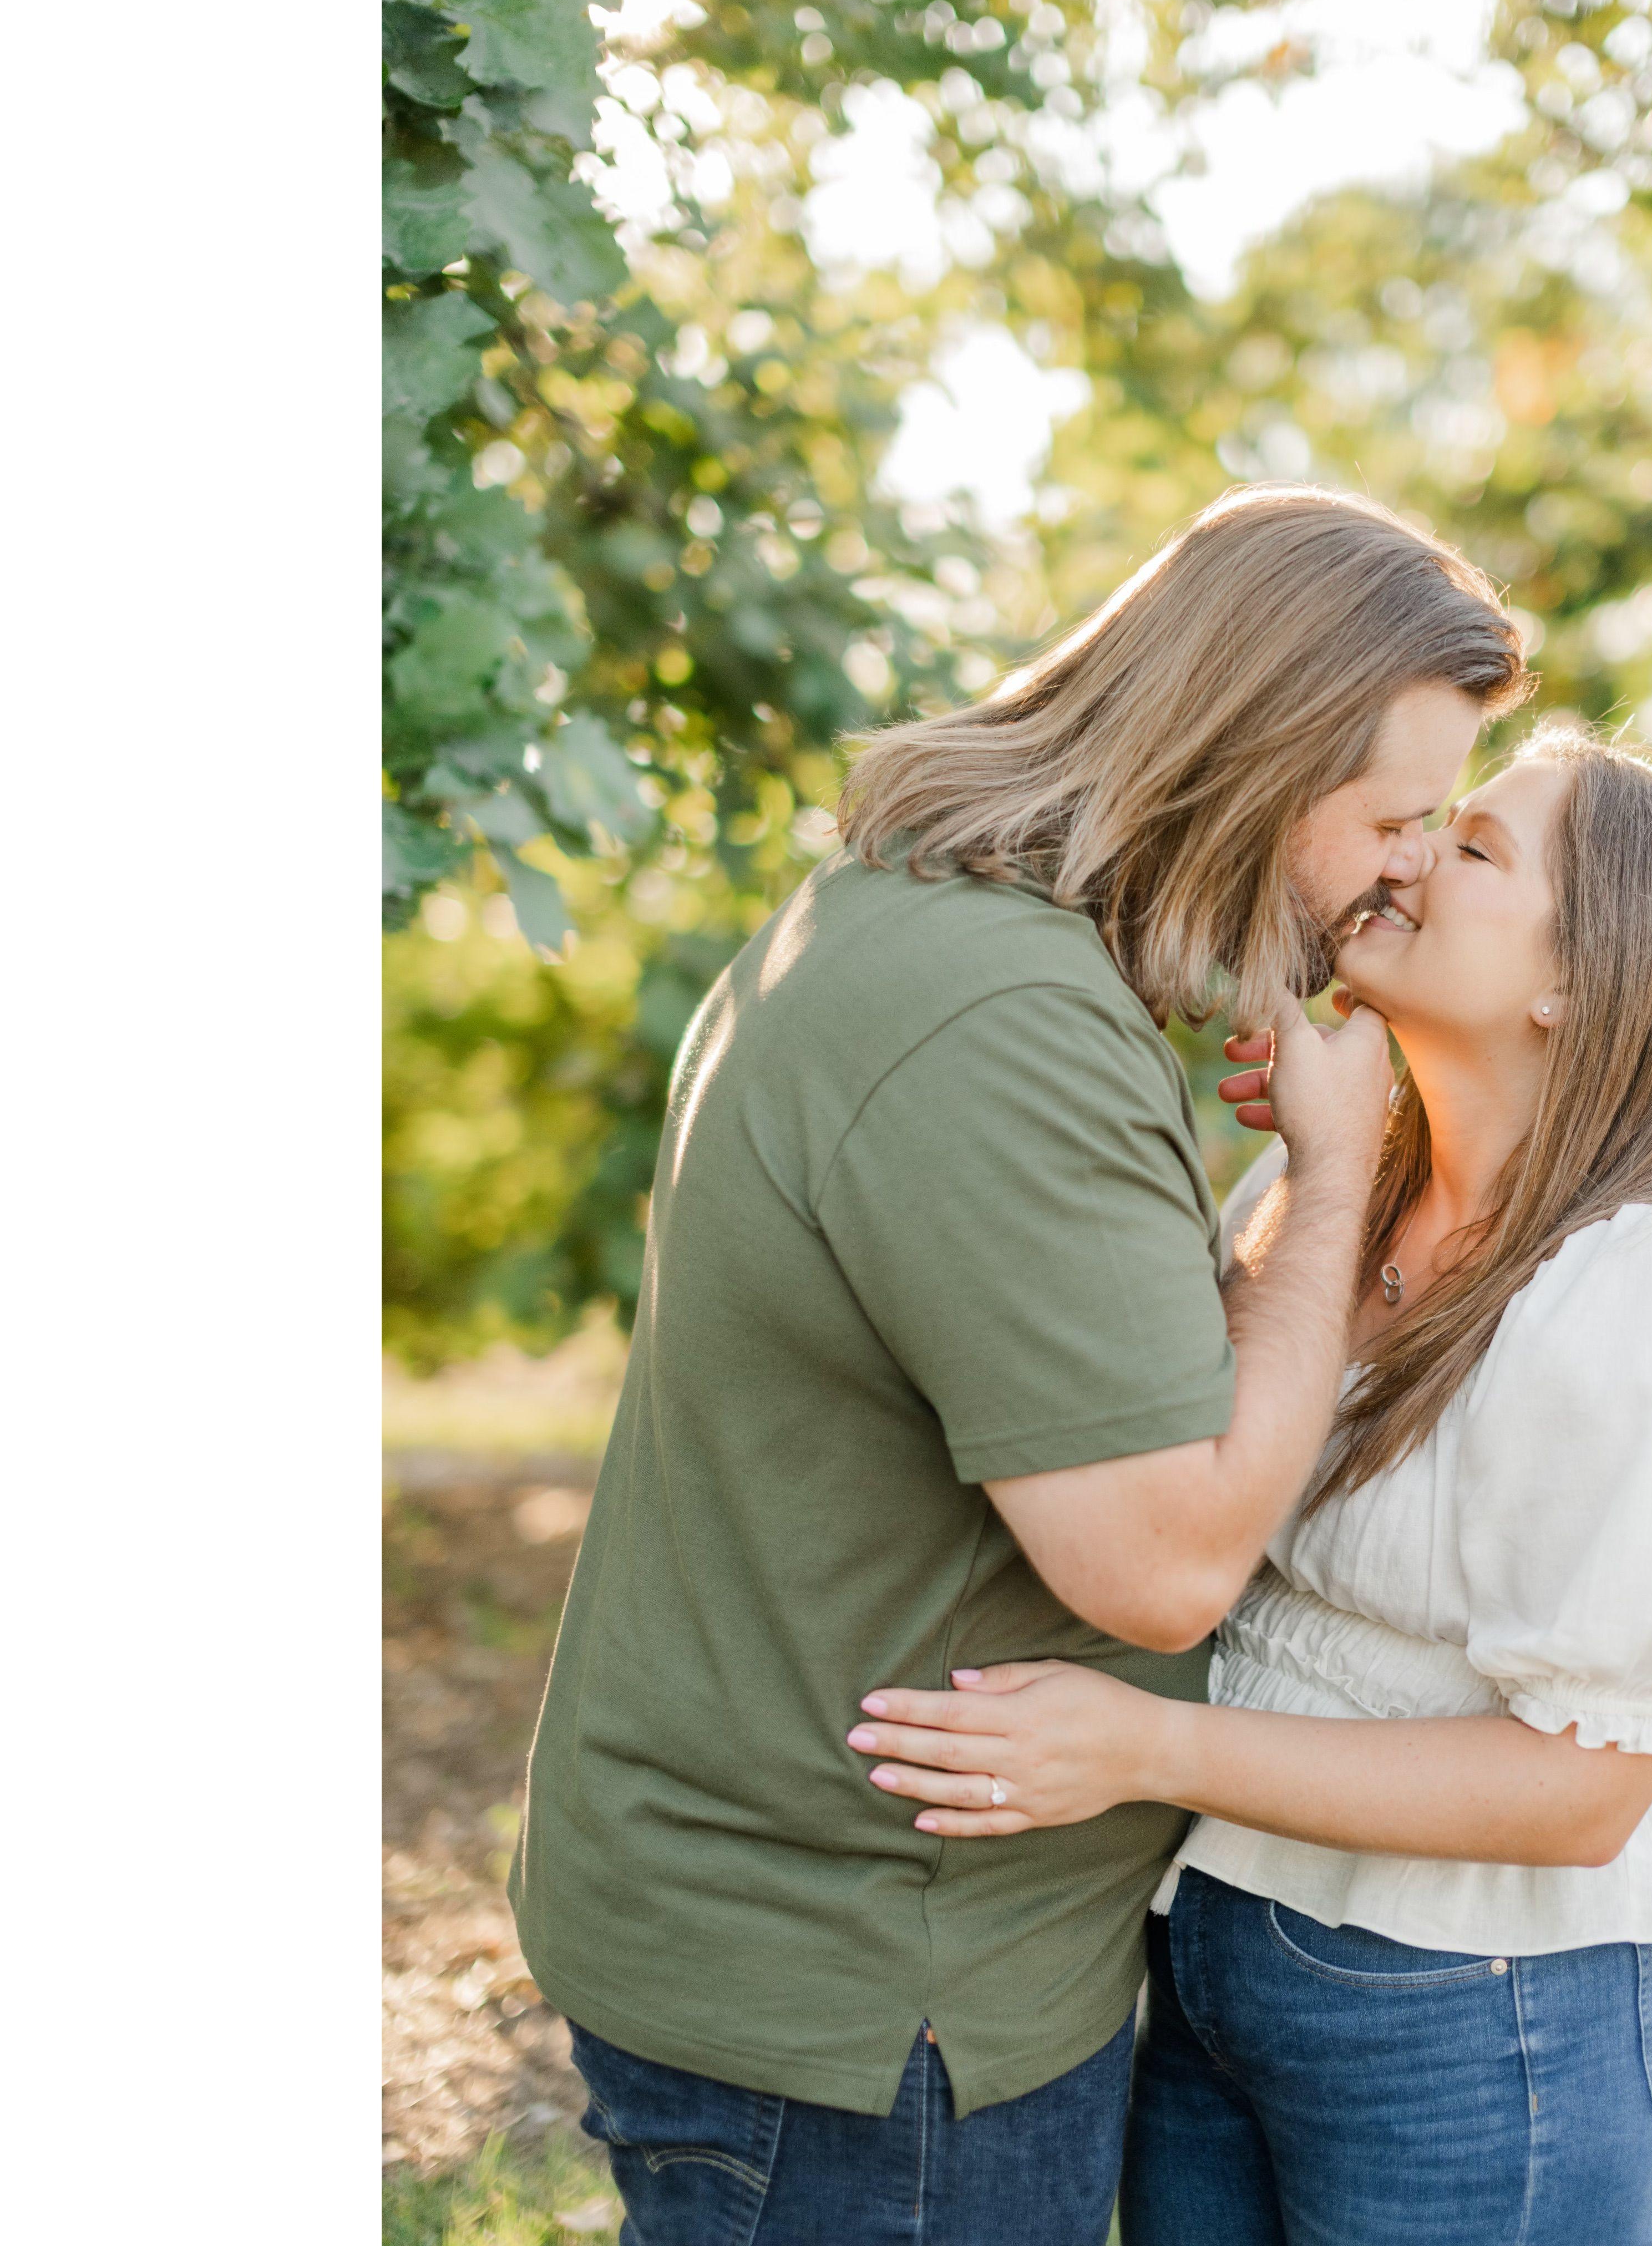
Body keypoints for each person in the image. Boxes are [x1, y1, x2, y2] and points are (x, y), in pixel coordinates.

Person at [508, 485, 1528, 2244]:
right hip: (864, 1998)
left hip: (856, 1945)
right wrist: (1343, 1169)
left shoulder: (942, 932)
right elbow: (1161, 1561)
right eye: (1392, 817)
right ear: (1256, 759)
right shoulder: (1002, 1026)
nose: (1410, 870)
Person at [849, 722, 1652, 2246]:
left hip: (1483, 2016)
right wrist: (1327, 1173)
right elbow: (1209, 1484)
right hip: (1221, 1955)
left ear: (1579, 979)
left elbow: (1580, 1793)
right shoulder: (1341, 1179)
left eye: (1473, 848)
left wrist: (1141, 1746)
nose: (1407, 854)